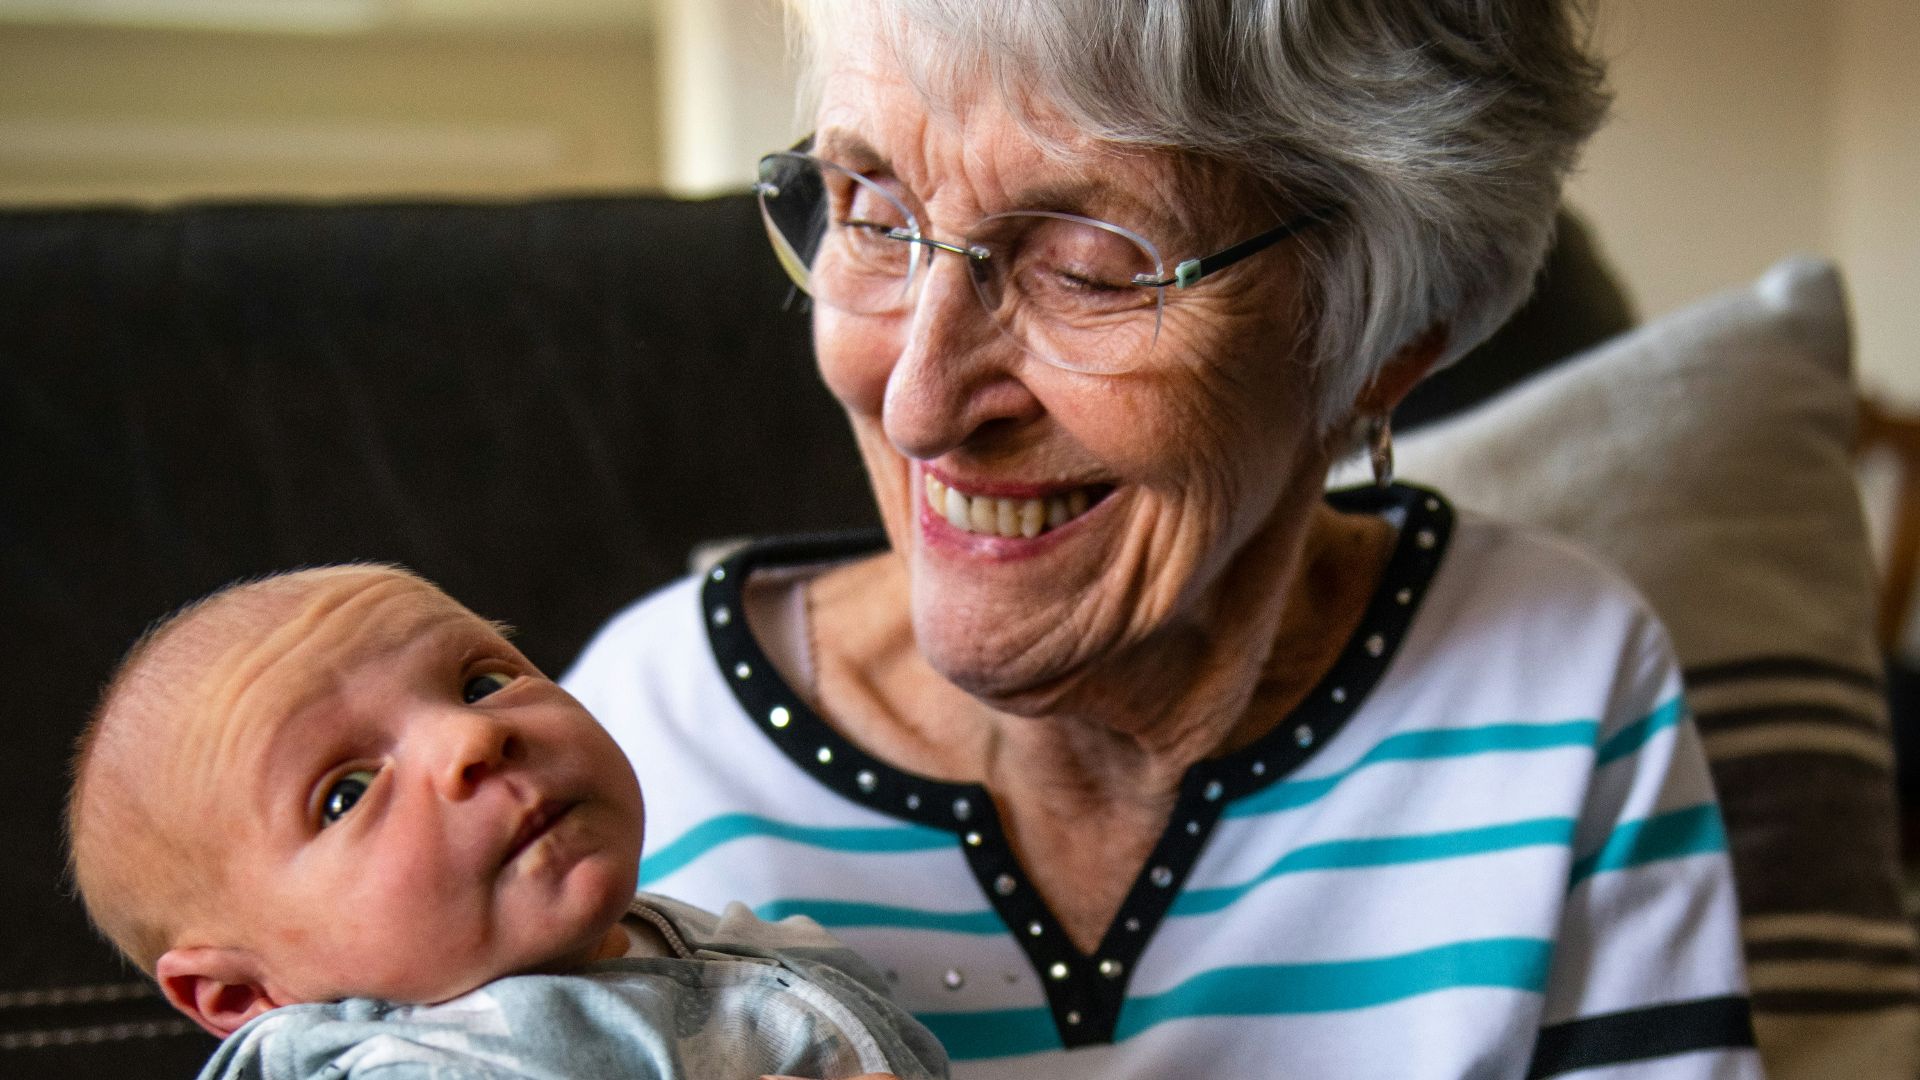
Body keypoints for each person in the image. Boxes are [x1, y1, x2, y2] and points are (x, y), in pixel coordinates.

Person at [562, 0, 1764, 1076]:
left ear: (1380, 346)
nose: (919, 399)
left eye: (1087, 268)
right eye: (874, 215)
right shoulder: (617, 756)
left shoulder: (1554, 684)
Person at [66, 564, 946, 1080]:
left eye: (482, 682)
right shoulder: (408, 1065)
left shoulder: (707, 945)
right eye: (347, 793)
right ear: (241, 996)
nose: (471, 737)